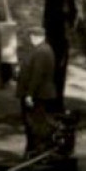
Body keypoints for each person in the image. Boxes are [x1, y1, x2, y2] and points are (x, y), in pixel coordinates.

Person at [18, 26, 60, 156]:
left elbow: (37, 75)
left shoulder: (41, 52)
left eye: (33, 36)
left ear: (39, 37)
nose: (31, 38)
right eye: (31, 35)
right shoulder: (41, 50)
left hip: (38, 94)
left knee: (35, 125)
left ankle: (37, 151)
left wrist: (30, 94)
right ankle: (33, 150)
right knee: (35, 124)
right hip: (40, 93)